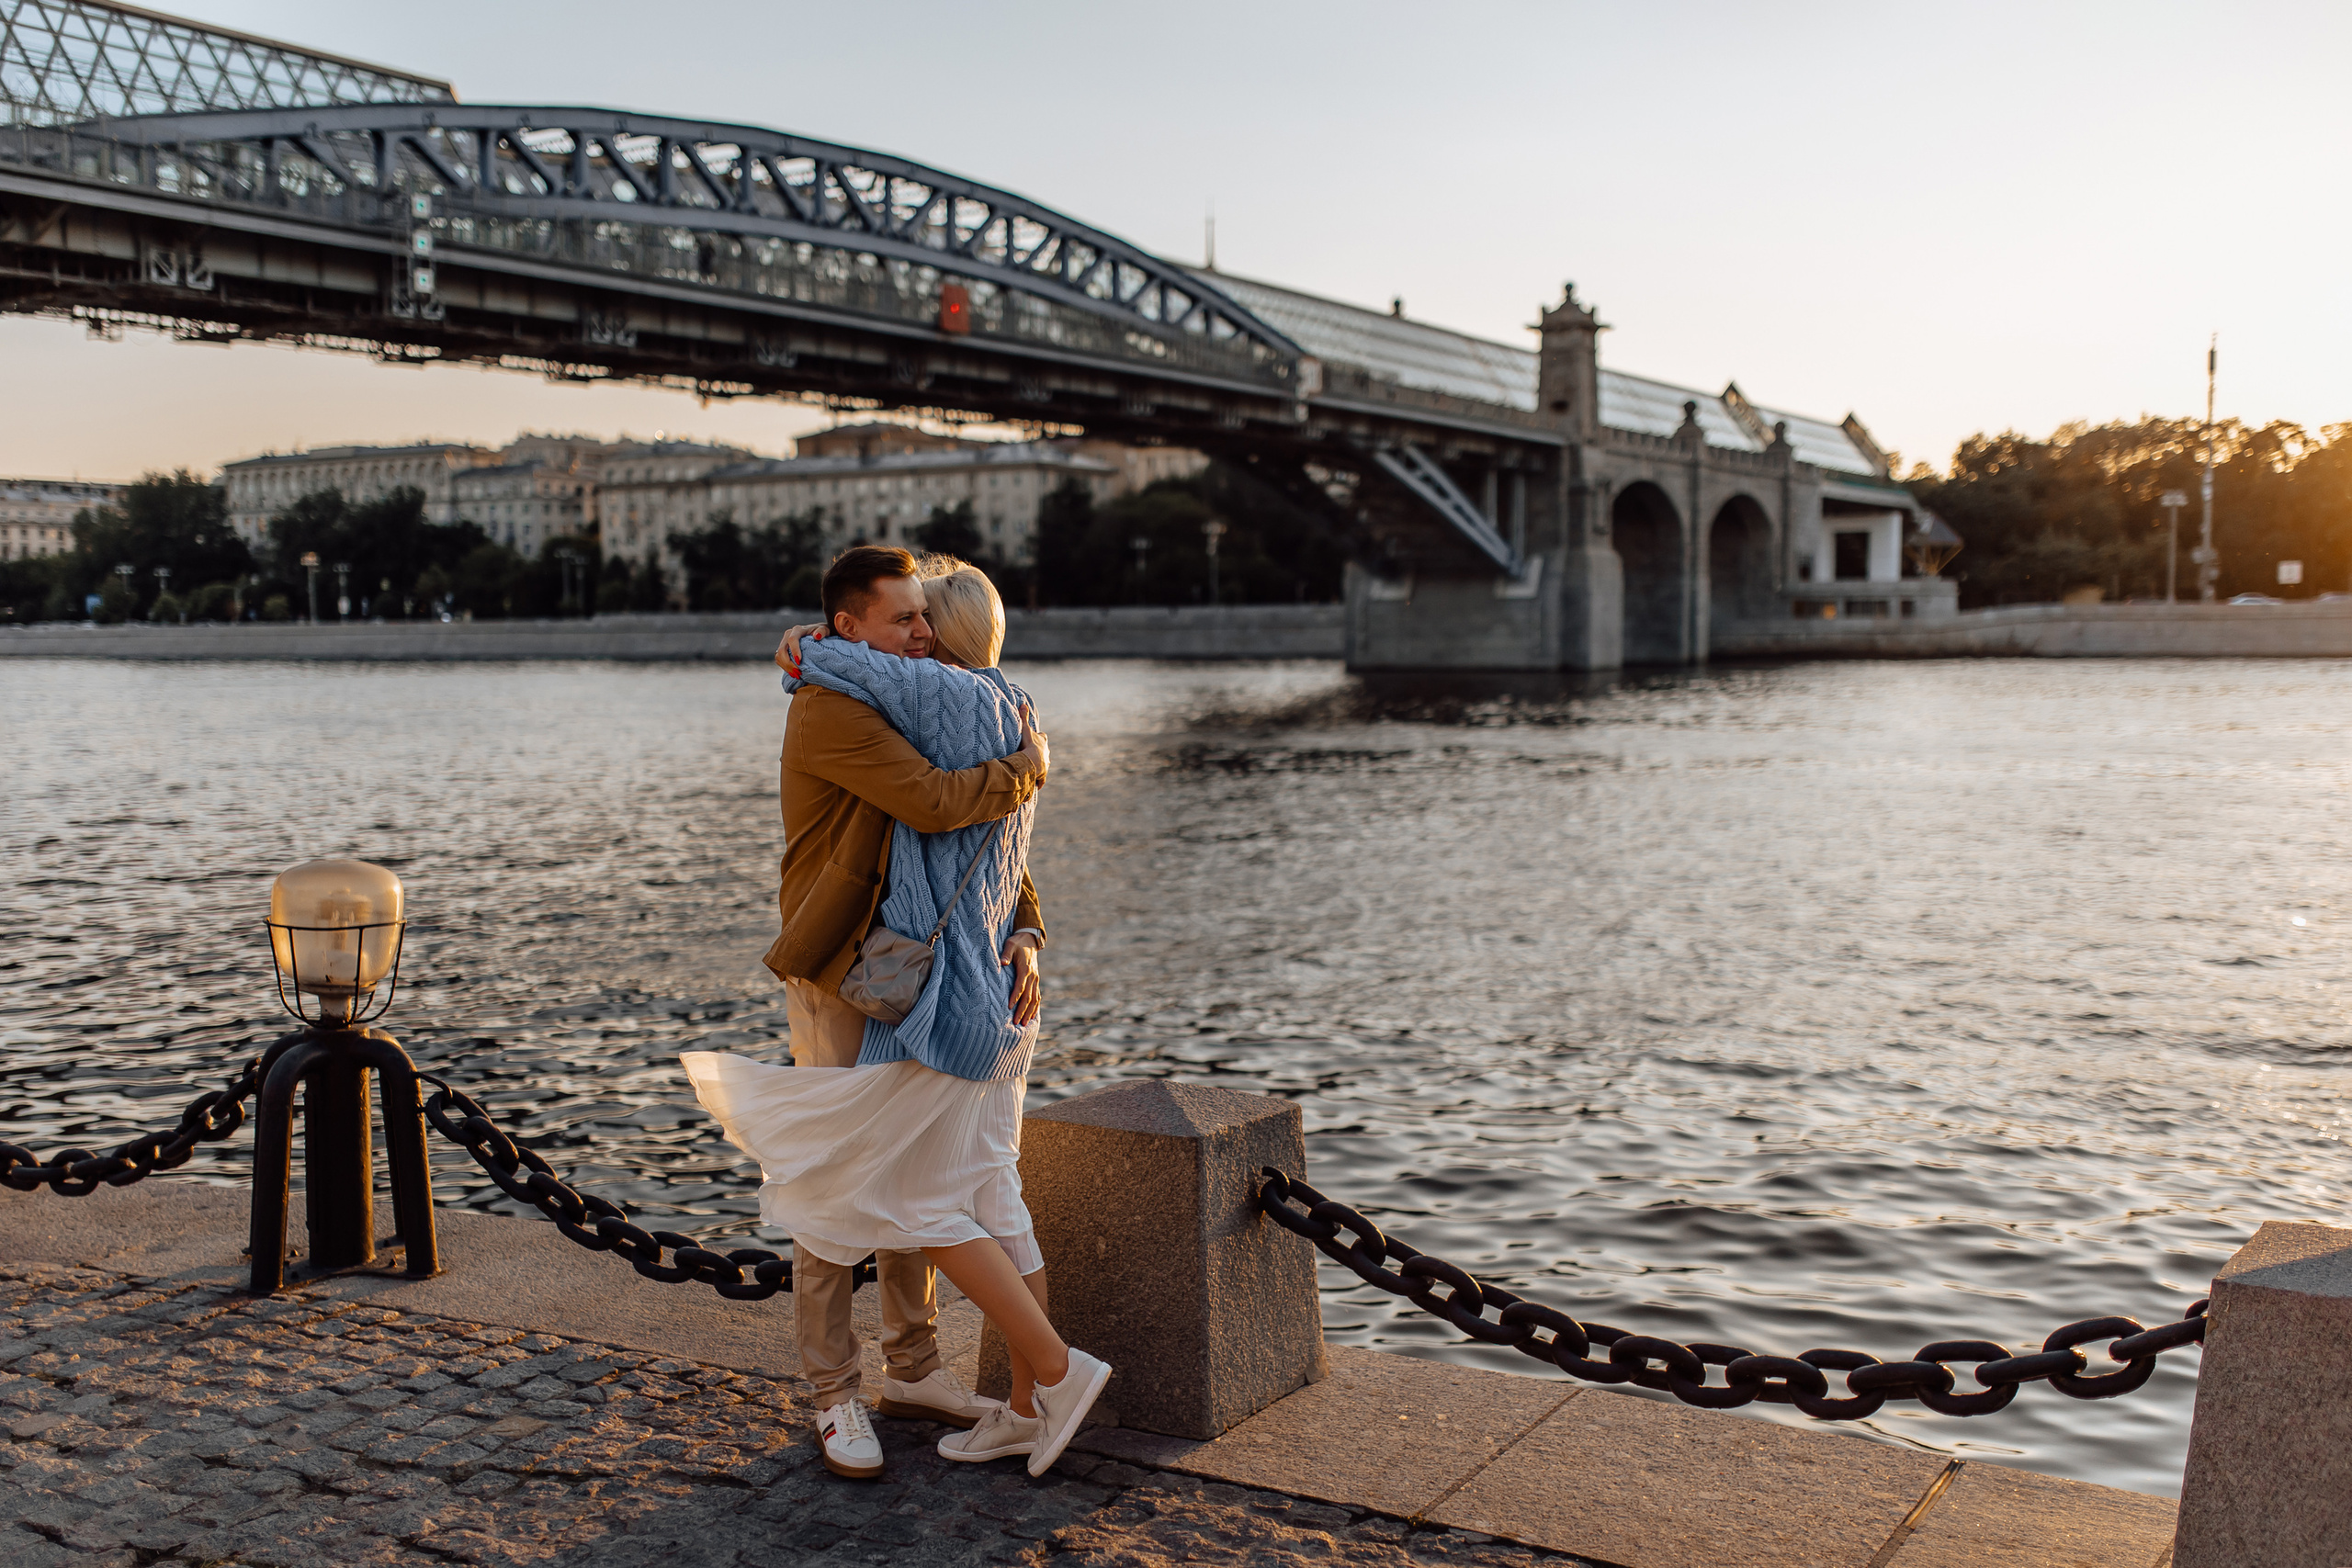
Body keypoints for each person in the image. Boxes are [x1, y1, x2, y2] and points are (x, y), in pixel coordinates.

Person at [687, 558, 1111, 1480]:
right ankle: (833, 1393)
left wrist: (1027, 929)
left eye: (926, 618)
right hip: (849, 972)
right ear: (849, 626)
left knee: (916, 1173)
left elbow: (992, 856)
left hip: (923, 979)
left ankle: (913, 1366)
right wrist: (1030, 767)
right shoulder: (834, 705)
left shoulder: (925, 697)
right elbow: (930, 802)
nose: (919, 633)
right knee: (834, 1182)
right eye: (902, 619)